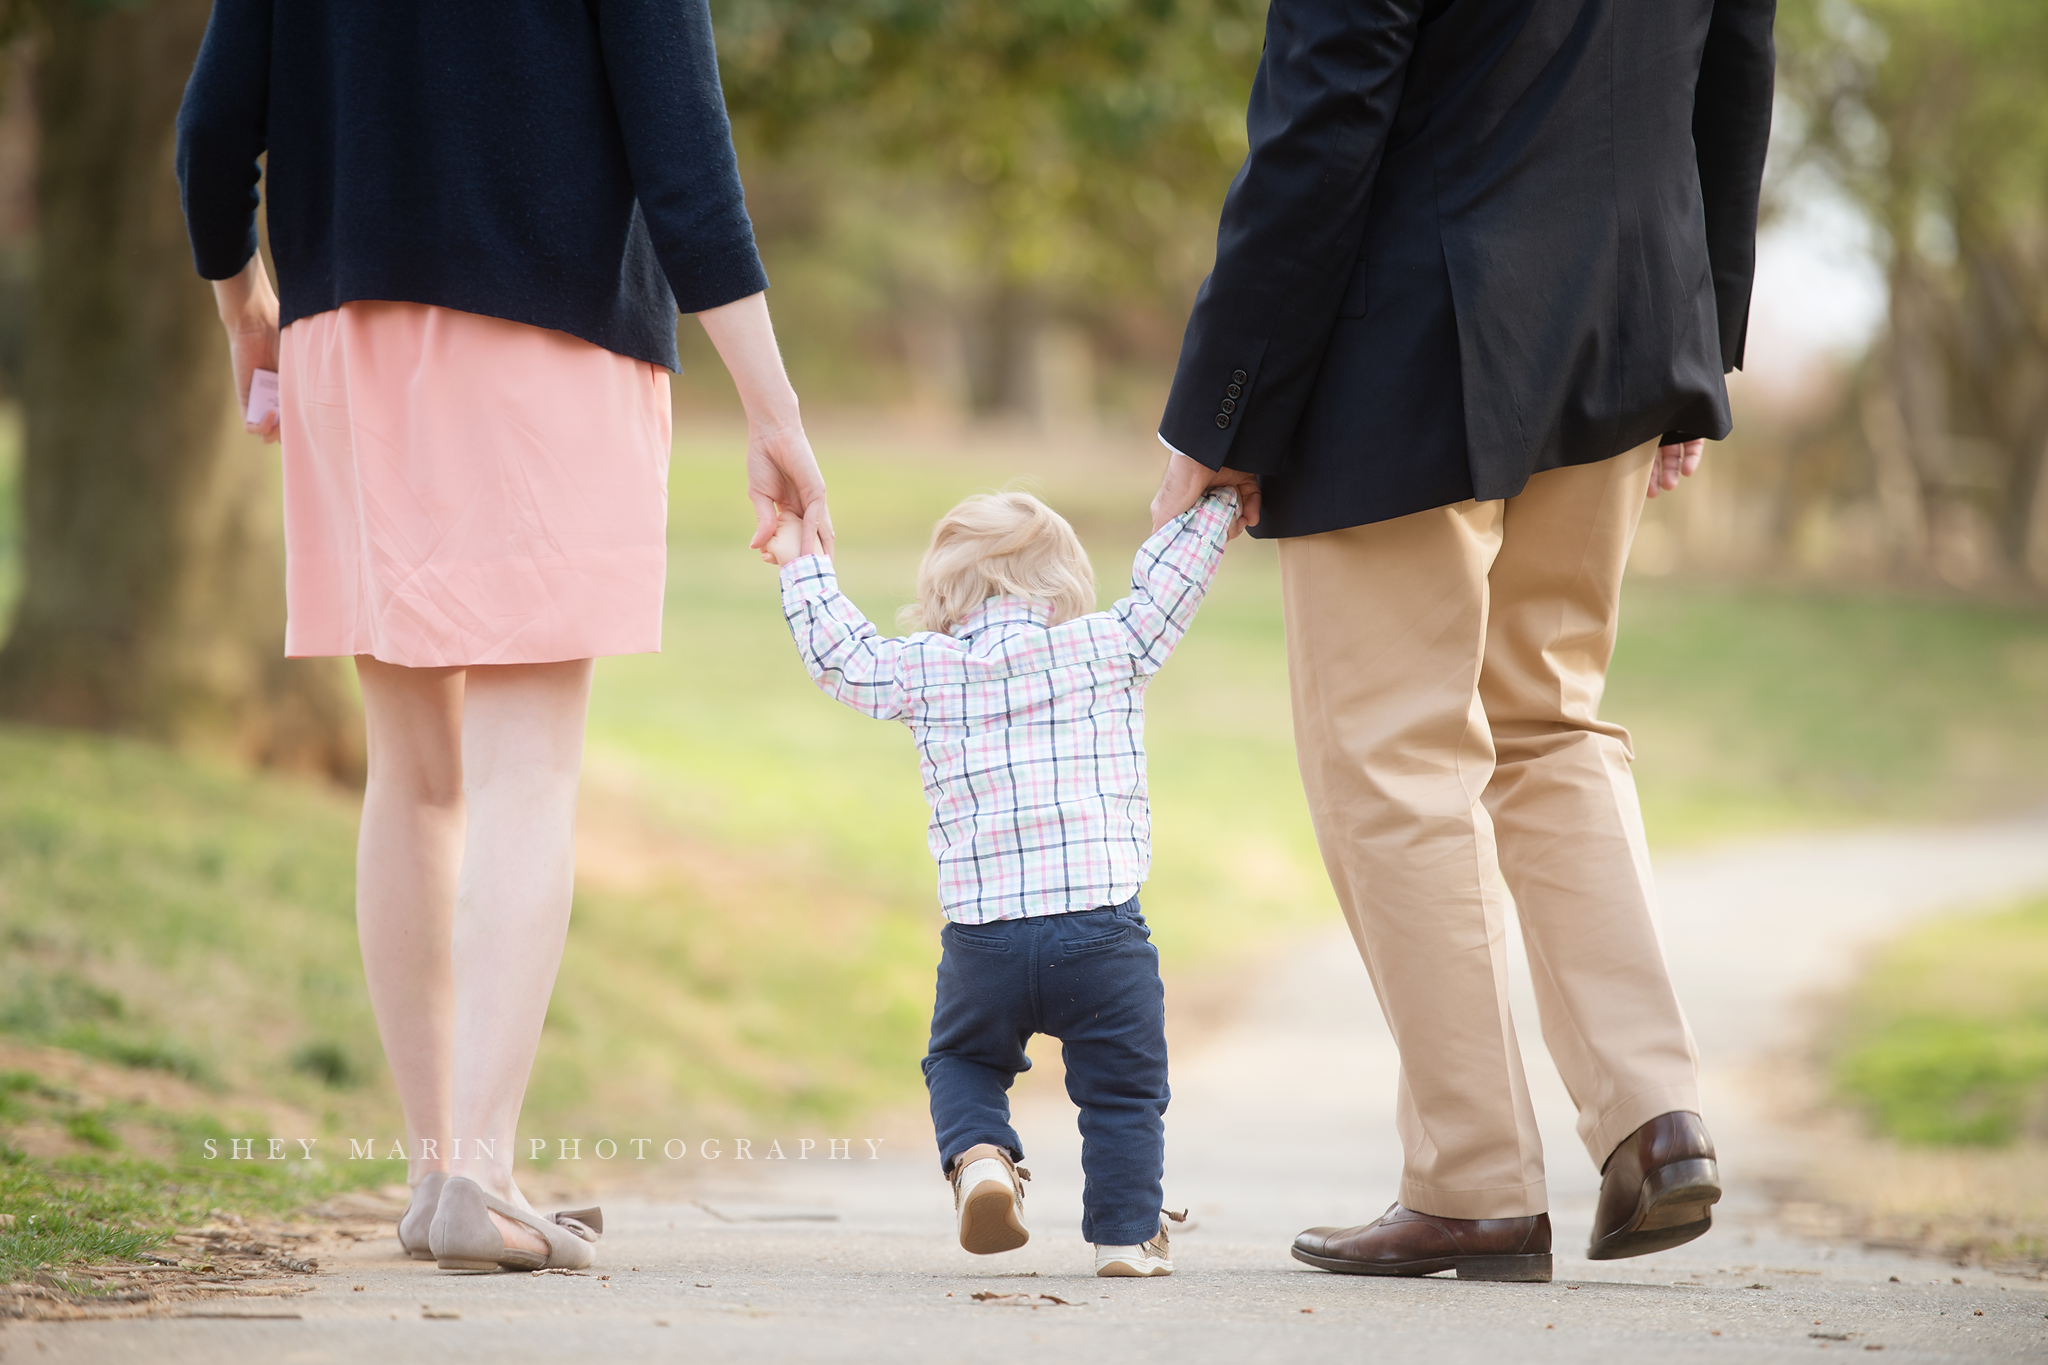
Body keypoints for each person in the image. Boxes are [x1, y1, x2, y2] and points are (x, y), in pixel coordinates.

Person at [175, 0, 830, 1272]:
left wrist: (241, 299)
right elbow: (681, 150)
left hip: (345, 337)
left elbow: (211, 130)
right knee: (529, 763)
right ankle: (479, 1167)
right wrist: (772, 405)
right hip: (555, 327)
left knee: (412, 773)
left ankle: (439, 1175)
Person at [1150, 0, 1776, 1281]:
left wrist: (1221, 407)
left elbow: (1323, 124)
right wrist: (1695, 346)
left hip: (1408, 348)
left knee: (1389, 758)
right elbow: (1734, 72)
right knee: (1548, 721)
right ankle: (1652, 1120)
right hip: (1621, 316)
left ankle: (1471, 1180)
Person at [762, 486, 1243, 1276]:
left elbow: (840, 657)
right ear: (1062, 590)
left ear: (944, 597)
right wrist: (1217, 503)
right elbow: (1171, 582)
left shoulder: (924, 667)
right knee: (1122, 1091)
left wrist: (800, 562)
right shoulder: (1108, 643)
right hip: (1102, 933)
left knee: (961, 1061)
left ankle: (982, 1158)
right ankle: (1124, 1234)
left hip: (984, 941)